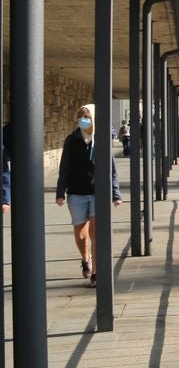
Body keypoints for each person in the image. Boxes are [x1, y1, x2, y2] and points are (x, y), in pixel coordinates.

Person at [55, 104, 121, 288]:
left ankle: (96, 273)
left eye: (87, 118)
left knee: (96, 230)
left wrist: (115, 193)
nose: (84, 122)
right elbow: (64, 167)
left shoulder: (101, 139)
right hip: (76, 192)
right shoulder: (72, 140)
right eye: (81, 118)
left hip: (98, 192)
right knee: (81, 234)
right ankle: (86, 259)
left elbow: (112, 168)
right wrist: (60, 192)